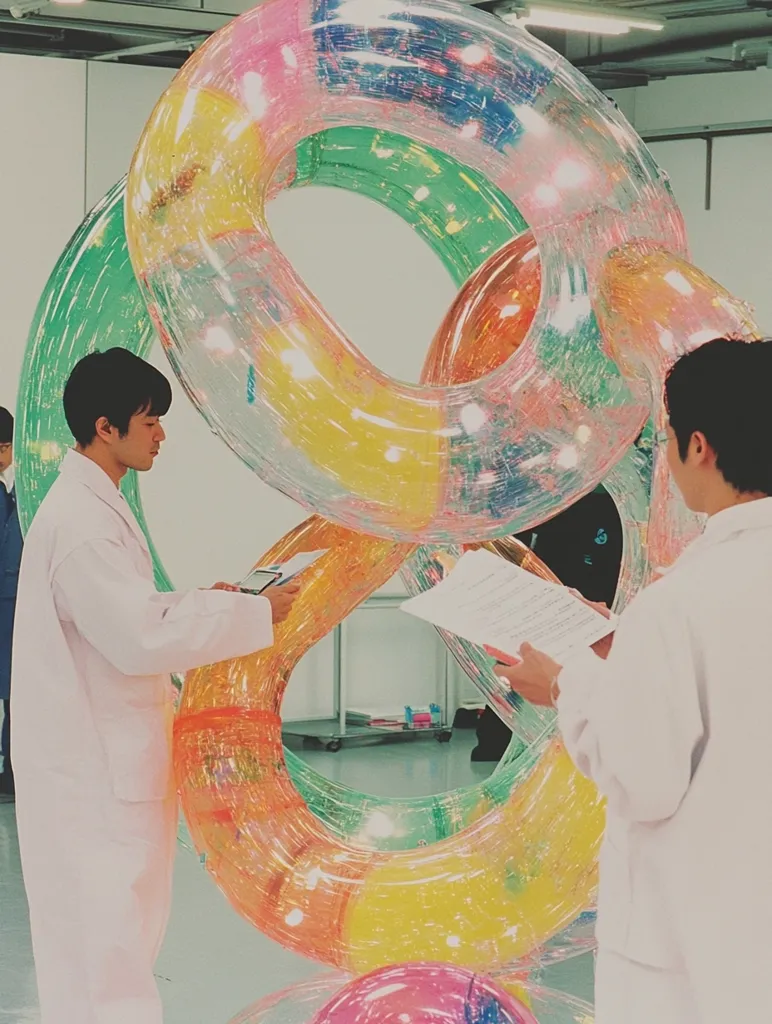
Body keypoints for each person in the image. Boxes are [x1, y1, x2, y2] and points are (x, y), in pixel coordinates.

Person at [11, 348, 300, 1024]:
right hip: (93, 780)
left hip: (107, 771)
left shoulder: (93, 508)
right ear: (105, 427)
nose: (161, 434)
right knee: (106, 959)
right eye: (150, 423)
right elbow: (138, 639)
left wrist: (208, 599)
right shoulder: (81, 524)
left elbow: (127, 613)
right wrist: (249, 612)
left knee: (115, 946)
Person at [497, 337, 772, 1023]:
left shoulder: (682, 601)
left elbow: (645, 780)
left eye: (670, 434)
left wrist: (567, 684)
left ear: (699, 447)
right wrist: (626, 643)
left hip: (697, 951)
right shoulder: (688, 602)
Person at [471, 488, 622, 762]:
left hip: (583, 607)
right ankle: (496, 742)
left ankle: (504, 743)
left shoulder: (604, 502)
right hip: (548, 604)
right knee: (523, 674)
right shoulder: (551, 500)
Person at [0, 406, 21, 802]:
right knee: (15, 692)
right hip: (9, 601)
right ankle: (12, 772)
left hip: (11, 598)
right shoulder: (11, 497)